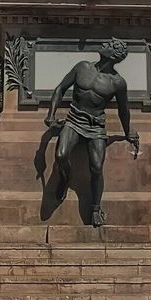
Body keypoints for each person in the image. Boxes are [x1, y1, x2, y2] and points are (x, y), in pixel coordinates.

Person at [44, 40, 139, 227]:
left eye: (109, 44)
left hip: (96, 127)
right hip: (73, 121)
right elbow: (60, 89)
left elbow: (123, 110)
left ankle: (95, 208)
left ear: (114, 55)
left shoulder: (117, 82)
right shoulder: (82, 67)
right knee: (61, 154)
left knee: (96, 168)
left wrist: (128, 132)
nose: (104, 44)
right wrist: (50, 115)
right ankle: (64, 178)